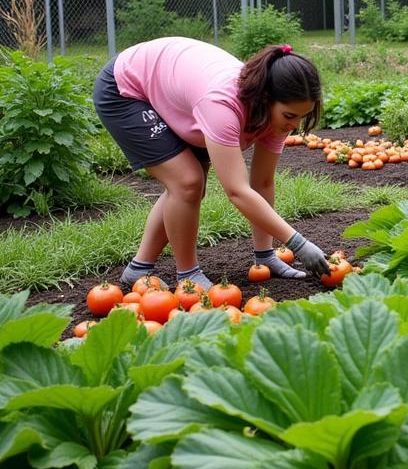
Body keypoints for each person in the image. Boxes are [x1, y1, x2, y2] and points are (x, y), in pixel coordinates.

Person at [92, 37, 332, 290]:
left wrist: (266, 255)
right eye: (290, 116)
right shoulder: (222, 105)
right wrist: (298, 243)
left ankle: (138, 269)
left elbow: (261, 182)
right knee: (187, 181)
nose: (294, 126)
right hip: (126, 87)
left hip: (177, 88)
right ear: (265, 98)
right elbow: (237, 190)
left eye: (302, 117)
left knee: (188, 184)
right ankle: (188, 275)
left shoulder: (279, 112)